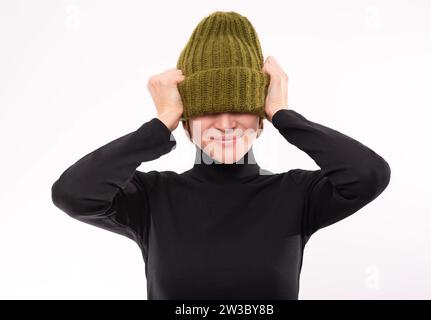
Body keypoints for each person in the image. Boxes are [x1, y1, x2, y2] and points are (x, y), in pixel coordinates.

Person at [51, 11, 391, 300]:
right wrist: (159, 124)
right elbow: (72, 194)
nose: (226, 124)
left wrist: (284, 116)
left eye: (240, 109)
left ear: (260, 119)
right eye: (209, 111)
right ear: (185, 122)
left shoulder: (296, 194)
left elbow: (369, 175)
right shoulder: (151, 200)